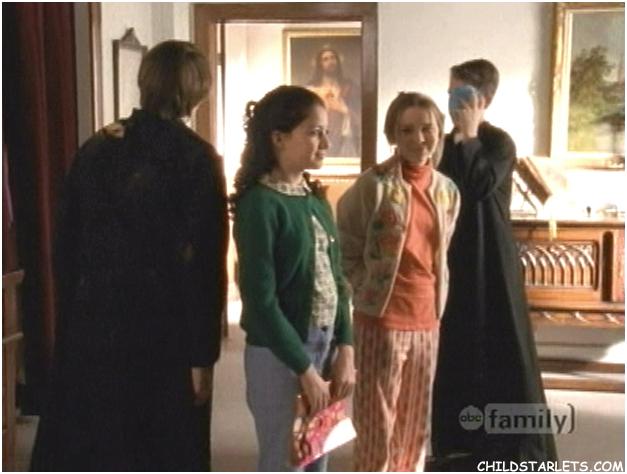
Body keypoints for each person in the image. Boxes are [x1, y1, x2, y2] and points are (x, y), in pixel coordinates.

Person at [30, 40, 228, 471]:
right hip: (163, 328)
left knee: (100, 442)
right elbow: (204, 268)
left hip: (95, 318)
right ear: (197, 90)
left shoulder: (97, 147)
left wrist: (74, 315)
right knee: (160, 446)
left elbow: (65, 245)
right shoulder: (195, 158)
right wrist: (202, 355)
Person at [432, 58, 558, 468]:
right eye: (449, 92)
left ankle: (514, 450)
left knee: (504, 349)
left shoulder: (499, 143)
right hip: (452, 259)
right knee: (456, 349)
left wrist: (470, 137)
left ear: (482, 99)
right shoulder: (441, 144)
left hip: (492, 260)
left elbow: (480, 185)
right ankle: (458, 444)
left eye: (461, 93)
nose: (452, 100)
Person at [231, 85, 355, 472]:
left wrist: (346, 348)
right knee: (285, 462)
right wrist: (304, 370)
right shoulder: (260, 205)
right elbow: (261, 302)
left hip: (324, 346)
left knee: (317, 456)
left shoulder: (315, 201)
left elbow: (337, 281)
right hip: (280, 353)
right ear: (279, 138)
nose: (325, 143)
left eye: (327, 132)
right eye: (315, 132)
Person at [336, 92, 460, 471]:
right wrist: (363, 287)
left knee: (415, 424)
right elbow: (345, 246)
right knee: (377, 424)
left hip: (427, 319)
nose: (419, 139)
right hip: (381, 319)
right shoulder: (373, 186)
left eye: (427, 128)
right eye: (407, 130)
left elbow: (439, 254)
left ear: (439, 131)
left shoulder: (447, 190)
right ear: (393, 134)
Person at [307, 46, 361, 157]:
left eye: (333, 58)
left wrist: (344, 109)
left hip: (343, 135)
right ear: (319, 64)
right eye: (325, 59)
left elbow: (360, 115)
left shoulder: (349, 87)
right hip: (321, 134)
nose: (330, 62)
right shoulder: (311, 89)